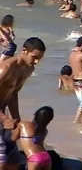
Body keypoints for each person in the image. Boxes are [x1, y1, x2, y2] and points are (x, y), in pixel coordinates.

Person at [0, 37, 46, 169]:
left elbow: (13, 94)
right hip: (1, 115)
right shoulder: (6, 68)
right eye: (34, 57)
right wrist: (4, 118)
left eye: (40, 58)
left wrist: (16, 118)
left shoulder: (28, 69)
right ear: (24, 51)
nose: (36, 62)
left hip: (2, 111)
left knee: (14, 159)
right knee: (2, 159)